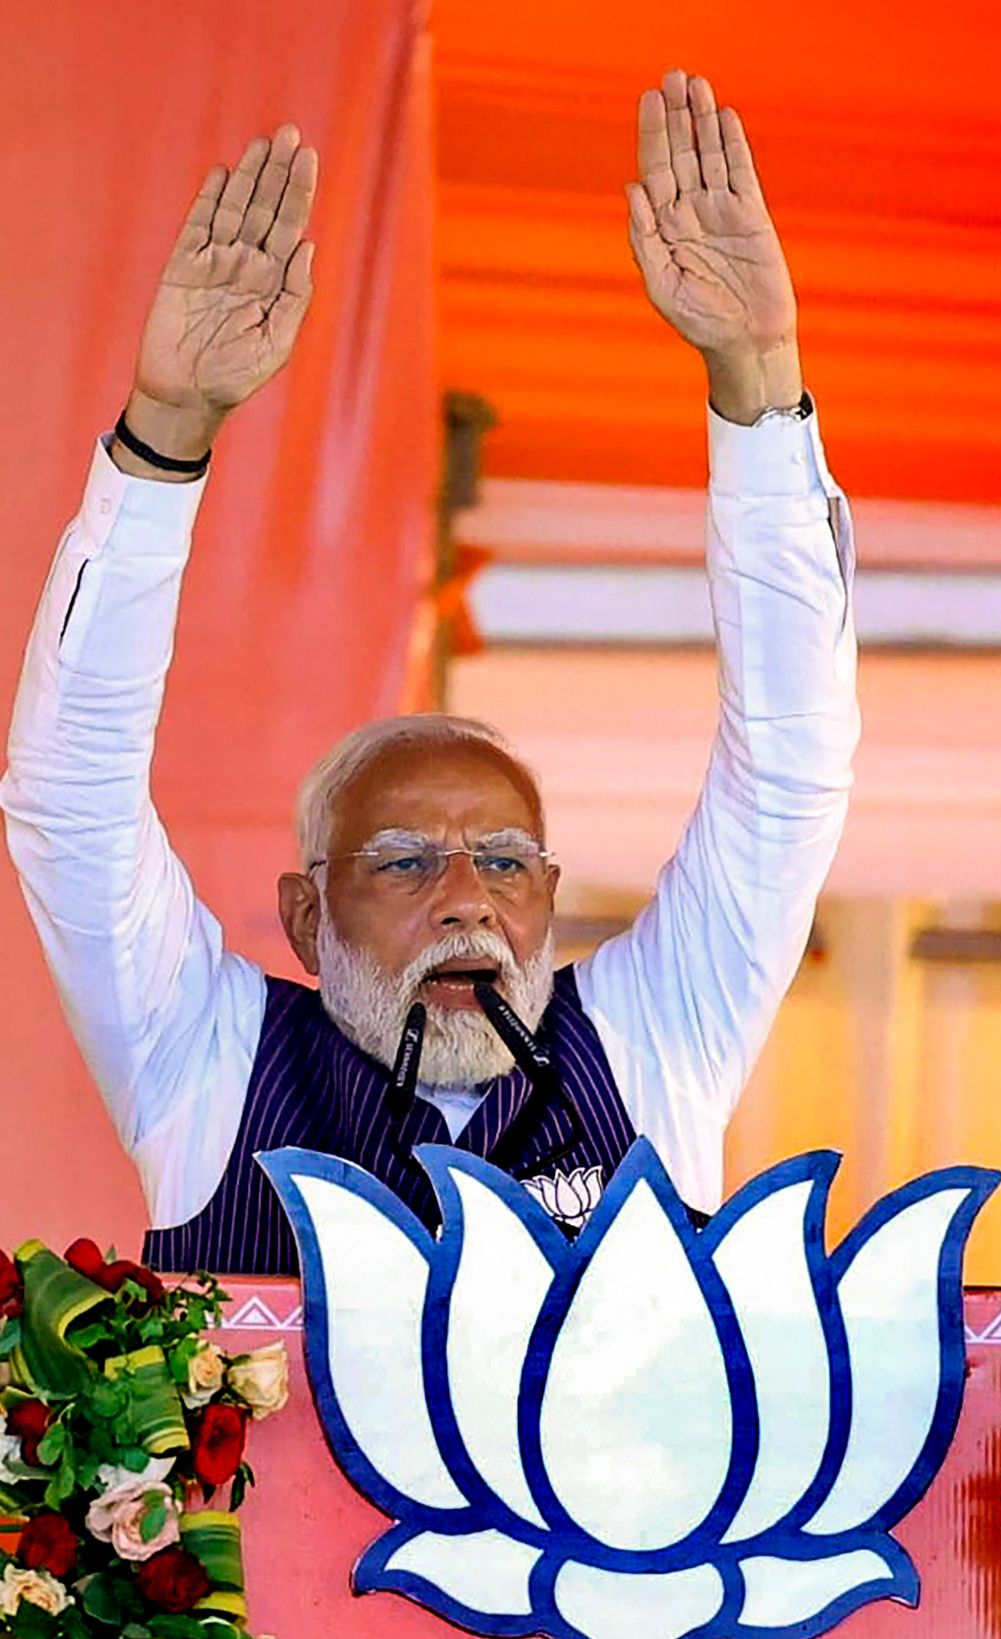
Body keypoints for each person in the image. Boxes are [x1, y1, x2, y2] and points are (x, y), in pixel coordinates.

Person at [2, 70, 858, 1274]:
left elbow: (793, 767)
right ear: (306, 916)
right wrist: (164, 432)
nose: (467, 899)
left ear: (549, 903)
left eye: (506, 863)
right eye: (404, 861)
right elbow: (69, 803)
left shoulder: (654, 1040)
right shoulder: (205, 1059)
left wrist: (761, 381)